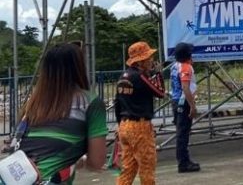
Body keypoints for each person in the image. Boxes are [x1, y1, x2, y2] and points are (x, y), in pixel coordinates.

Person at [16, 43, 107, 184]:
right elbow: (96, 162)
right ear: (78, 67)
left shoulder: (33, 104)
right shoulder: (91, 103)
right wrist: (79, 161)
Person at [115, 41, 165, 185]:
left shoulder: (122, 77)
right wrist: (158, 74)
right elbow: (160, 92)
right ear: (141, 61)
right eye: (149, 58)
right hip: (139, 126)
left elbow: (118, 103)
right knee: (147, 165)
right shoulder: (139, 77)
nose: (151, 61)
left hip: (124, 125)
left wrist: (119, 125)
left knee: (128, 168)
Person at [171, 42, 200, 172]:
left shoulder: (175, 66)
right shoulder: (185, 67)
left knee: (181, 133)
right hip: (183, 102)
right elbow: (185, 87)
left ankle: (185, 160)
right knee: (183, 134)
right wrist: (192, 106)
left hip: (176, 101)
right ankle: (183, 163)